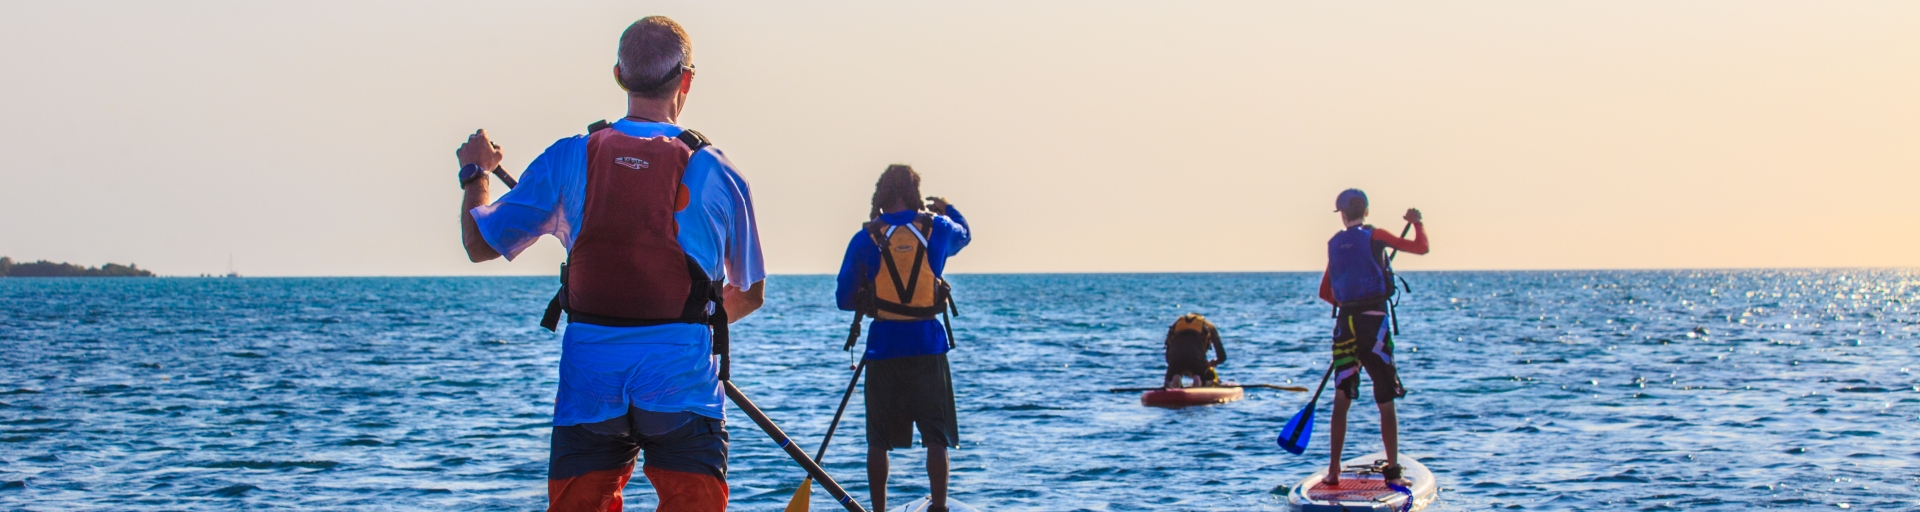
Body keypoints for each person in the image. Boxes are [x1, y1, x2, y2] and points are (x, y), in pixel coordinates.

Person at [454, 16, 765, 512]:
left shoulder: (567, 158)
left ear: (619, 75)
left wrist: (476, 172)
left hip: (590, 385)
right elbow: (749, 293)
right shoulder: (720, 172)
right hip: (681, 384)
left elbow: (478, 242)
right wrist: (693, 322)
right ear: (686, 80)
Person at [834, 165, 971, 512]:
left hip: (882, 348)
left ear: (881, 195)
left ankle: (878, 511)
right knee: (935, 436)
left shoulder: (866, 237)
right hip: (928, 346)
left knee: (877, 440)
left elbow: (843, 299)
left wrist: (869, 295)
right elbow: (965, 234)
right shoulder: (935, 228)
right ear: (915, 194)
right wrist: (946, 207)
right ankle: (938, 507)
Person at [1316, 188, 1427, 487]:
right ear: (1365, 210)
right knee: (1385, 396)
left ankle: (1334, 471)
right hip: (1374, 323)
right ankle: (1392, 468)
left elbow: (1325, 293)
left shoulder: (1335, 244)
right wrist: (1417, 222)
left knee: (1342, 396)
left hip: (1345, 325)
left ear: (1342, 214)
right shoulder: (1376, 236)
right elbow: (1420, 248)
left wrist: (1349, 305)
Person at [1162, 313, 1227, 388]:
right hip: (1196, 359)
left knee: (1174, 369)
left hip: (1175, 360)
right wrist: (1212, 363)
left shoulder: (1176, 324)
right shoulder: (1209, 325)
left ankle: (1173, 378)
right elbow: (1222, 357)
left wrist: (1181, 369)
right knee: (1207, 375)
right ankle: (1199, 378)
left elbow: (1168, 357)